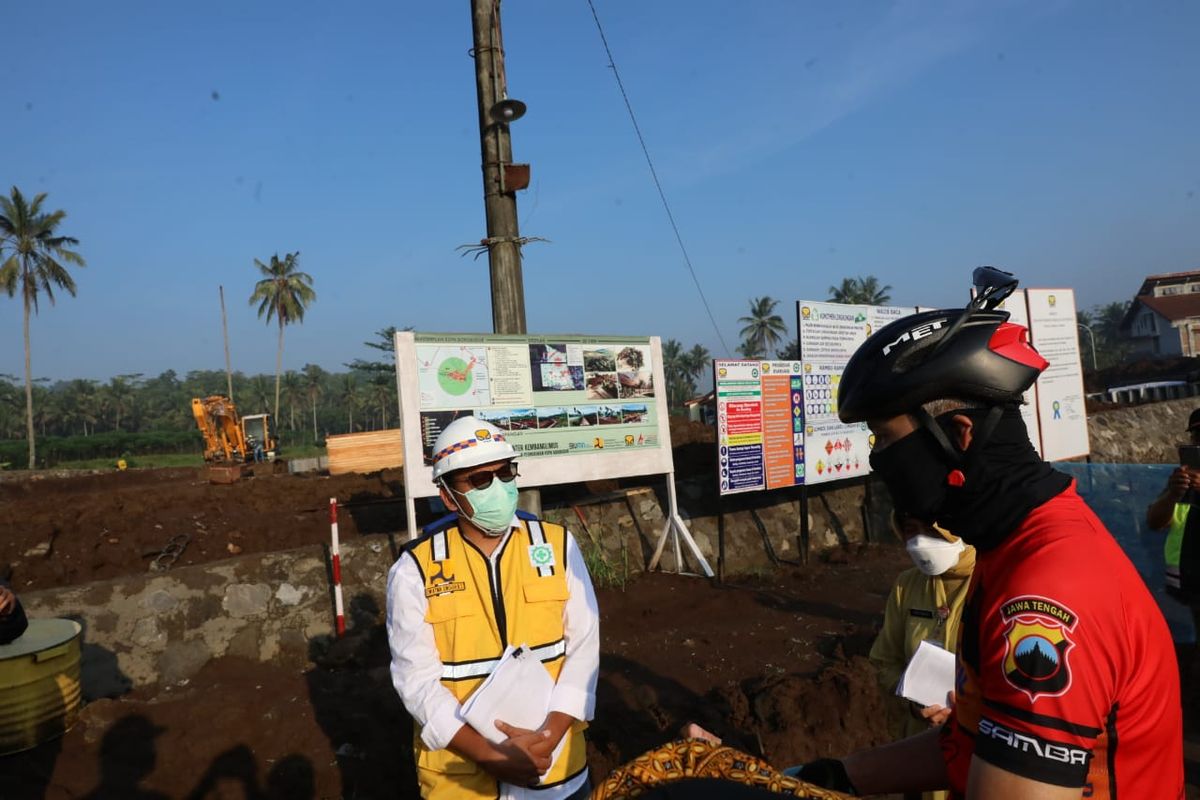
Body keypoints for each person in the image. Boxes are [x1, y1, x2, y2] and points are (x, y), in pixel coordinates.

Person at [795, 269, 1182, 798]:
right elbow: (978, 738)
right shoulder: (1016, 547)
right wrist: (831, 777)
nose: (875, 460)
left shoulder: (1045, 596)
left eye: (885, 439)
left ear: (958, 435)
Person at [385, 416, 600, 800]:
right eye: (480, 480)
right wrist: (491, 756)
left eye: (504, 473)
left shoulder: (557, 546)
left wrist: (549, 736)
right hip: (463, 781)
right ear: (449, 497)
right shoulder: (414, 570)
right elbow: (416, 682)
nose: (498, 487)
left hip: (555, 771)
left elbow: (584, 650)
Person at [868, 514, 974, 800]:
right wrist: (912, 698)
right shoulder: (906, 585)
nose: (919, 541)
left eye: (931, 529)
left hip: (976, 755)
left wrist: (965, 713)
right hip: (918, 751)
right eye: (911, 531)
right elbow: (883, 662)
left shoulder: (998, 582)